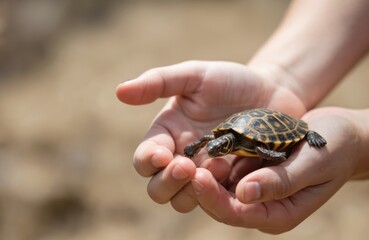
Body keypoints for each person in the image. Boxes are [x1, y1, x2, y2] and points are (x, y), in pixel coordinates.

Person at [116, 0, 369, 234]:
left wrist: (358, 139)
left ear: (228, 145)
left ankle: (307, 132)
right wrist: (281, 77)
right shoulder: (224, 139)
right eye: (216, 146)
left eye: (217, 147)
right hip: (252, 124)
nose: (215, 148)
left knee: (287, 141)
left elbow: (264, 147)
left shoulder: (247, 143)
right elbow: (209, 139)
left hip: (277, 130)